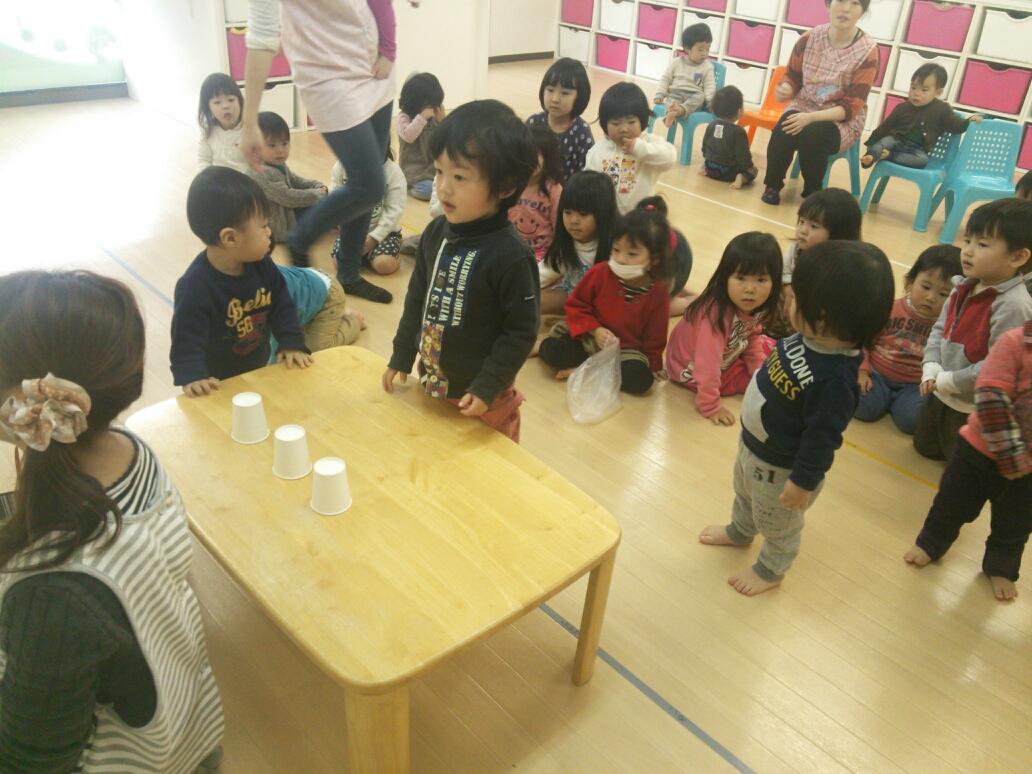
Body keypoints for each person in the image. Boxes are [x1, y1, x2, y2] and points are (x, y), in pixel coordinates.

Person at [0, 271, 224, 773]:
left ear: (28, 402)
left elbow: (32, 758)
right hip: (187, 721)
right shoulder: (128, 445)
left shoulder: (53, 594)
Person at [699, 241, 895, 596]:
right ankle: (740, 531)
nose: (788, 302)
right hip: (753, 447)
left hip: (782, 471)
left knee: (779, 524)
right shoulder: (808, 338)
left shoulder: (835, 381)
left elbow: (823, 439)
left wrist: (803, 482)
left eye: (796, 299)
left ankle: (771, 570)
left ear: (823, 317)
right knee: (744, 495)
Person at [383, 100, 539, 443]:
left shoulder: (511, 256)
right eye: (439, 171)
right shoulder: (435, 233)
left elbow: (521, 331)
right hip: (433, 383)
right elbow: (417, 299)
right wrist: (402, 353)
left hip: (485, 401)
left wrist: (487, 386)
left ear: (504, 187)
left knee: (487, 472)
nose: (443, 187)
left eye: (459, 177)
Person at [241, 0, 401, 303]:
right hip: (325, 75)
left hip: (372, 60)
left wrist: (388, 49)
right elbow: (261, 35)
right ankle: (301, 238)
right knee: (368, 185)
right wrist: (249, 122)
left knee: (364, 183)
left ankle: (349, 274)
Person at [906, 318, 1032, 601]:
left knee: (1016, 524)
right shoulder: (1014, 343)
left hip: (1028, 473)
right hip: (977, 453)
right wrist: (1011, 455)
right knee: (951, 505)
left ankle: (1000, 566)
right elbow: (991, 395)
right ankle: (931, 543)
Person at [171, 167, 312, 398]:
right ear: (230, 238)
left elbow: (282, 305)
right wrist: (193, 376)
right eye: (264, 226)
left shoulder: (263, 265)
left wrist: (291, 342)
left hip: (256, 368)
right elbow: (187, 338)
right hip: (216, 384)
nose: (269, 232)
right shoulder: (196, 288)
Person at [916, 199, 1032, 460]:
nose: (967, 251)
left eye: (982, 245)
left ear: (1017, 257)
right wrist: (931, 364)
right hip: (942, 391)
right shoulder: (964, 284)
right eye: (967, 240)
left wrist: (949, 381)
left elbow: (996, 367)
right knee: (924, 448)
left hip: (973, 405)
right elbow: (940, 328)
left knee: (959, 463)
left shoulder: (1014, 305)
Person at [538, 205, 673, 395]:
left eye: (632, 254)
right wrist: (595, 330)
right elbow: (576, 305)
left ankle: (583, 371)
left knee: (642, 380)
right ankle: (558, 354)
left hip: (623, 352)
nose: (621, 259)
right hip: (587, 338)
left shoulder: (658, 294)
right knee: (556, 353)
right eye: (616, 250)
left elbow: (655, 334)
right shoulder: (600, 273)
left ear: (654, 259)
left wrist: (654, 363)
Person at [760, 0, 879, 205]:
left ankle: (813, 194)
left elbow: (850, 108)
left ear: (863, 11)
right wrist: (787, 87)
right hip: (805, 106)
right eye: (840, 1)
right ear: (828, 4)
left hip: (841, 119)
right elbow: (793, 75)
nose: (846, 8)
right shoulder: (809, 38)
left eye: (855, 3)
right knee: (784, 127)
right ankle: (772, 185)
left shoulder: (868, 50)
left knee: (814, 134)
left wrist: (811, 118)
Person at [667, 232, 782, 425]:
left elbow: (751, 336)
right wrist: (710, 405)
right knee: (772, 384)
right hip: (691, 370)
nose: (750, 289)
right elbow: (707, 365)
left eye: (761, 280)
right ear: (725, 277)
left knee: (770, 371)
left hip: (721, 358)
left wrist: (758, 372)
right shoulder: (715, 316)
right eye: (741, 278)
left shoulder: (751, 306)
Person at [854, 245, 961, 434]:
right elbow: (864, 340)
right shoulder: (890, 308)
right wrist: (862, 371)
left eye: (944, 294)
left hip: (915, 386)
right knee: (863, 407)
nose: (931, 297)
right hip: (877, 374)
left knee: (911, 422)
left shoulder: (950, 326)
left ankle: (899, 404)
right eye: (926, 287)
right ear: (911, 281)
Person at [766, 188, 863, 339]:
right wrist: (788, 290)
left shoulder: (843, 266)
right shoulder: (797, 248)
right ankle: (771, 334)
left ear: (838, 234)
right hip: (791, 307)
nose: (803, 230)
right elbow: (784, 271)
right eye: (801, 221)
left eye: (814, 226)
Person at [862, 64, 981, 169]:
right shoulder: (902, 107)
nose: (916, 93)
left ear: (937, 93)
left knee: (922, 160)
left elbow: (954, 124)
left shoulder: (942, 109)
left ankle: (889, 156)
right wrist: (872, 141)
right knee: (882, 143)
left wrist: (968, 121)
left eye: (924, 90)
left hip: (917, 149)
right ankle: (870, 157)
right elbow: (886, 126)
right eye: (913, 88)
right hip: (896, 139)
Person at [586, 82, 676, 214]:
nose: (623, 129)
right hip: (607, 217)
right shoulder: (598, 150)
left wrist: (638, 148)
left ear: (642, 120)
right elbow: (587, 184)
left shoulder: (648, 142)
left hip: (640, 218)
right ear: (605, 124)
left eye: (631, 122)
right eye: (615, 123)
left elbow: (669, 158)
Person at [540, 170, 618, 316]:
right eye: (567, 212)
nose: (573, 221)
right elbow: (540, 275)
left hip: (608, 303)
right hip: (575, 296)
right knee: (532, 303)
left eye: (583, 214)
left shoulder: (617, 246)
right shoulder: (566, 244)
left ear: (603, 213)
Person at [247, 111, 327, 245]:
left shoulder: (274, 163)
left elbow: (295, 180)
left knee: (322, 206)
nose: (280, 150)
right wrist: (317, 194)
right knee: (321, 209)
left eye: (284, 143)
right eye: (272, 145)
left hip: (285, 212)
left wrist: (315, 185)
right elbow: (288, 197)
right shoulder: (261, 172)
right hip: (276, 225)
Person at [330, 145, 407, 275]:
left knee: (384, 265)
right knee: (340, 263)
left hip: (384, 233)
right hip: (351, 231)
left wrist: (375, 238)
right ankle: (367, 257)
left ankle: (394, 245)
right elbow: (334, 200)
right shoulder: (341, 166)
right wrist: (343, 227)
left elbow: (394, 211)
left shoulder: (393, 173)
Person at [509, 125, 565, 283]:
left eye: (533, 157)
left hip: (542, 251)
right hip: (511, 246)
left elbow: (559, 229)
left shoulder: (554, 190)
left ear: (548, 158)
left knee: (534, 274)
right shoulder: (510, 185)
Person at [271, 265, 365, 360]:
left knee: (316, 351)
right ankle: (339, 309)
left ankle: (353, 321)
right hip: (309, 281)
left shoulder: (272, 282)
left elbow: (280, 329)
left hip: (328, 294)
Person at [526, 58, 595, 179]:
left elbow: (585, 171)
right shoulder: (534, 122)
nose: (555, 99)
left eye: (565, 93)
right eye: (550, 90)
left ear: (579, 97)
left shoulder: (581, 131)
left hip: (567, 189)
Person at [654, 23, 716, 130]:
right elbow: (665, 79)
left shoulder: (707, 67)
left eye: (708, 49)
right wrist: (660, 94)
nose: (705, 53)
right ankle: (670, 116)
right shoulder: (676, 63)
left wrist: (710, 102)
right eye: (700, 50)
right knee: (671, 101)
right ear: (687, 49)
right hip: (676, 92)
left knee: (700, 97)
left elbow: (710, 85)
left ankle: (679, 111)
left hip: (694, 94)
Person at [397, 72, 446, 200]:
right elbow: (408, 136)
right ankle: (409, 187)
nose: (432, 108)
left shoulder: (435, 116)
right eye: (429, 105)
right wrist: (421, 118)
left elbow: (447, 139)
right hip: (415, 171)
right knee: (428, 190)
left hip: (433, 167)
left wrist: (443, 122)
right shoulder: (404, 117)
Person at [701, 86, 758, 189]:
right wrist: (750, 168)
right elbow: (743, 156)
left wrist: (707, 160)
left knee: (711, 161)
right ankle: (741, 178)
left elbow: (705, 146)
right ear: (739, 111)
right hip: (729, 173)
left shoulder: (712, 125)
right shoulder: (739, 132)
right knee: (754, 171)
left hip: (710, 168)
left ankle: (704, 167)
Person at [196, 72, 247, 173]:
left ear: (239, 101)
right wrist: (209, 178)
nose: (225, 106)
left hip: (246, 179)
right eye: (217, 102)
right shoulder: (208, 130)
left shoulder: (250, 127)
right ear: (208, 107)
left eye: (231, 100)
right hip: (218, 179)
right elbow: (204, 159)